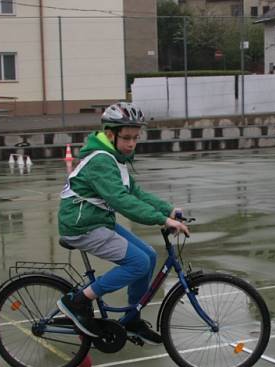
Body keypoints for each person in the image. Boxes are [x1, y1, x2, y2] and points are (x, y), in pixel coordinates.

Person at [56, 102, 190, 344]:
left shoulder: (115, 157)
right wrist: (161, 220)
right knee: (138, 263)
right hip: (82, 226)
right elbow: (121, 201)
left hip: (98, 221)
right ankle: (78, 300)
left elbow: (135, 192)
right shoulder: (101, 161)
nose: (131, 144)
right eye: (126, 138)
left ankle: (132, 319)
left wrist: (169, 209)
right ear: (110, 134)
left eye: (135, 138)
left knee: (148, 256)